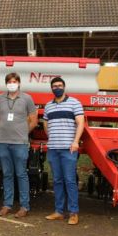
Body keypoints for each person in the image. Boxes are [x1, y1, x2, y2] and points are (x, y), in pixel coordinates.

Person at [0, 72, 37, 218]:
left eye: (14, 81)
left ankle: (24, 206)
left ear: (19, 83)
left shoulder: (27, 98)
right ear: (6, 83)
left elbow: (33, 120)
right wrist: (5, 131)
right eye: (9, 81)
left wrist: (24, 133)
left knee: (21, 174)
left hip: (20, 143)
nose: (12, 83)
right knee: (7, 174)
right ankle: (7, 204)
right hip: (4, 142)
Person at [43, 76, 84, 225]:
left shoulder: (75, 103)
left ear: (64, 87)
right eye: (54, 86)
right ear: (52, 88)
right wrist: (52, 139)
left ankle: (73, 212)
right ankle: (59, 211)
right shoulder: (48, 106)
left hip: (69, 149)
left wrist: (75, 141)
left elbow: (80, 123)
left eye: (59, 85)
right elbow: (46, 125)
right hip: (53, 149)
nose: (57, 88)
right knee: (57, 181)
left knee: (70, 180)